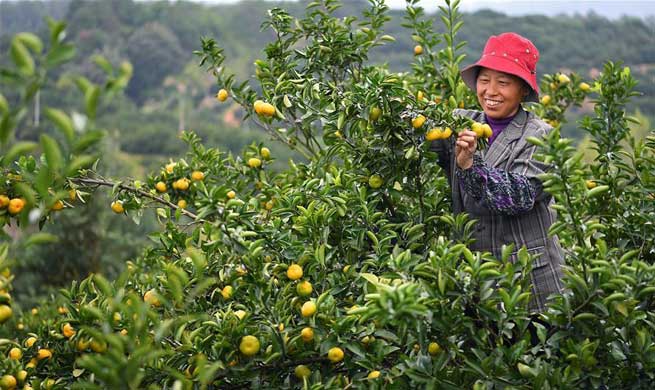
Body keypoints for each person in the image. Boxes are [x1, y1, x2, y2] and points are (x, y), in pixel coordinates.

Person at [431, 32, 564, 313]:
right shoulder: (460, 123)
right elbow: (421, 144)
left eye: (503, 82)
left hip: (531, 286)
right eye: (484, 80)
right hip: (477, 281)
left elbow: (519, 196)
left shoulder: (540, 136)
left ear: (523, 91)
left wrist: (470, 166)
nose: (491, 91)